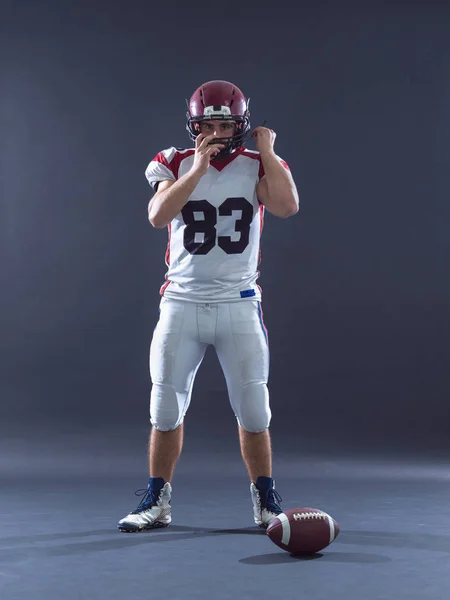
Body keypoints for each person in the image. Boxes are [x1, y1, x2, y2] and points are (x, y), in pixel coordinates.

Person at [118, 80, 299, 533]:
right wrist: (196, 171)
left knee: (255, 410)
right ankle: (157, 500)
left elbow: (287, 206)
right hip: (181, 301)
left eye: (224, 124)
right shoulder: (173, 161)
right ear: (192, 125)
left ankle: (265, 499)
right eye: (207, 124)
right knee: (164, 407)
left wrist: (271, 153)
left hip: (238, 303)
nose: (216, 132)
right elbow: (158, 215)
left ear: (240, 125)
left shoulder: (260, 164)